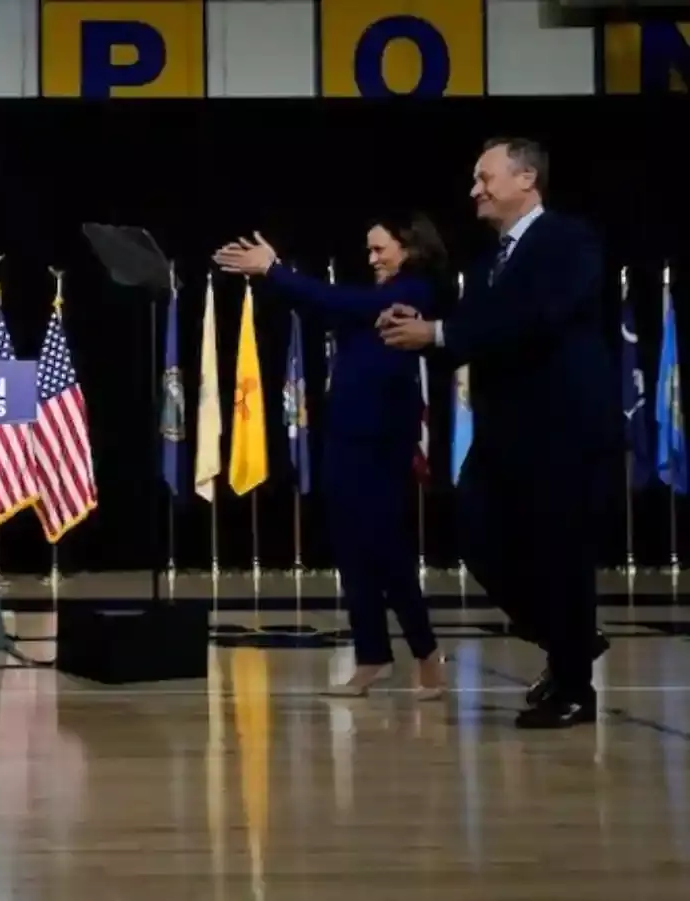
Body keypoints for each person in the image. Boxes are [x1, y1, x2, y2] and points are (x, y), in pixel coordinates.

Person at [381, 138, 613, 729]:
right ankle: (570, 640)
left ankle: (574, 689)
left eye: (485, 178)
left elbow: (534, 319)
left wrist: (440, 333)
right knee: (475, 535)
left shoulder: (568, 241)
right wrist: (427, 330)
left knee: (560, 554)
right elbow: (476, 330)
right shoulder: (489, 261)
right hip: (503, 432)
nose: (474, 190)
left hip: (561, 429)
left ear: (526, 178)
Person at [214, 215, 447, 699]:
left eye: (380, 249)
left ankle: (426, 655)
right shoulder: (374, 299)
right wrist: (271, 275)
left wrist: (275, 269)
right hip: (344, 434)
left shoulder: (415, 291)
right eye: (369, 250)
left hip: (383, 438)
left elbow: (344, 302)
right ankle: (372, 656)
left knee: (386, 547)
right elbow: (323, 305)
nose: (372, 258)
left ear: (409, 248)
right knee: (349, 547)